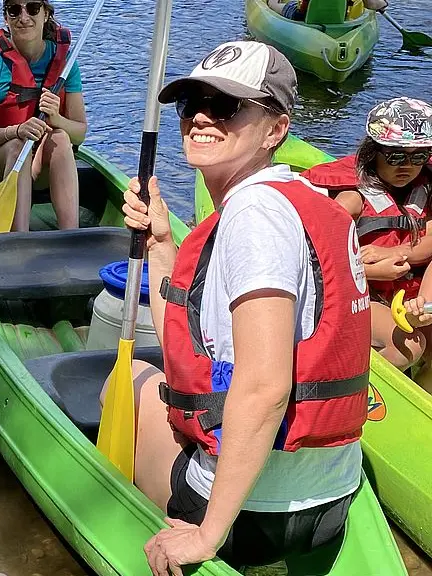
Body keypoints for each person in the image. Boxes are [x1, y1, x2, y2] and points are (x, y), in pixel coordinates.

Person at [108, 41, 370, 572]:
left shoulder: (253, 213)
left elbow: (265, 387)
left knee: (133, 380)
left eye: (227, 106)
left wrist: (206, 535)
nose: (202, 117)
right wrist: (161, 242)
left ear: (276, 129)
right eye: (191, 104)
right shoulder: (298, 197)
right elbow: (190, 349)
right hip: (330, 501)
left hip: (252, 517)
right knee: (176, 384)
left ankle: (137, 527)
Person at [302, 97, 432, 387]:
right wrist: (370, 272)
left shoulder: (426, 187)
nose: (407, 167)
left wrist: (397, 253)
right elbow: (312, 254)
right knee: (408, 346)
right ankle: (352, 391)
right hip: (354, 292)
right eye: (396, 156)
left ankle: (420, 409)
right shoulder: (352, 198)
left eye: (418, 156)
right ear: (374, 153)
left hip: (404, 293)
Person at [0, 0, 86, 232]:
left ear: (45, 15)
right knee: (18, 145)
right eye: (14, 10)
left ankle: (71, 236)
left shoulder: (66, 62)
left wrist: (57, 119)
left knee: (62, 138)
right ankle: (19, 239)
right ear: (6, 18)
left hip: (38, 164)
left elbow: (80, 133)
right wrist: (17, 130)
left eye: (32, 8)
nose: (23, 17)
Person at [267, 0, 387, 22]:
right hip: (340, 19)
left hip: (303, 16)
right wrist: (384, 3)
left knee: (272, 3)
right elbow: (372, 4)